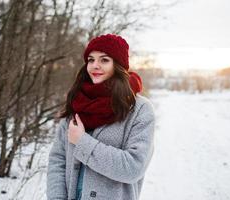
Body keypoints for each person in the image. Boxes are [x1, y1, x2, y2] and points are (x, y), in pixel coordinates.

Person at [46, 34, 155, 200]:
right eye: (91, 59)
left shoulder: (139, 109)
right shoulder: (76, 102)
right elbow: (58, 160)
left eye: (104, 60)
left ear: (118, 65)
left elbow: (133, 168)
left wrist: (82, 142)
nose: (95, 66)